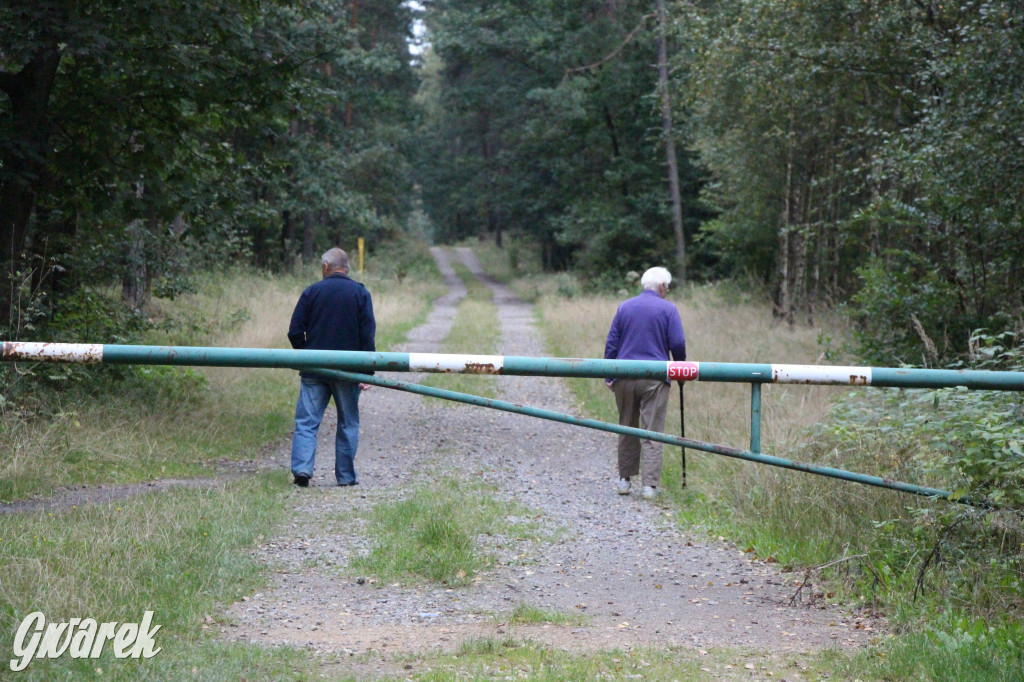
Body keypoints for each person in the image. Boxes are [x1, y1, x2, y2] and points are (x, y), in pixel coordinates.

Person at [288, 247, 376, 487]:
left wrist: (306, 355)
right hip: (348, 369)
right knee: (348, 422)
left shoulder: (312, 292)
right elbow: (367, 335)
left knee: (307, 421)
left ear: (326, 267)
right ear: (346, 267)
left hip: (314, 369)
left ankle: (302, 471)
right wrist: (367, 371)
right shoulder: (360, 293)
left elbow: (295, 331)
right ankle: (346, 477)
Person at [604, 266, 686, 499]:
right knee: (652, 430)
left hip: (624, 376)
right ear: (661, 286)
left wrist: (609, 375)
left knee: (626, 427)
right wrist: (679, 370)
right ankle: (649, 486)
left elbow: (612, 343)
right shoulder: (669, 309)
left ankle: (624, 480)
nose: (667, 292)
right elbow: (678, 343)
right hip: (655, 378)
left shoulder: (624, 307)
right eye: (667, 287)